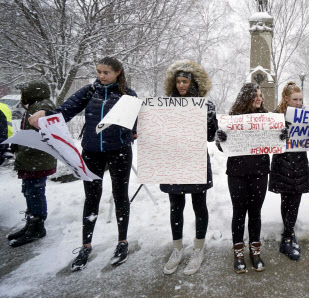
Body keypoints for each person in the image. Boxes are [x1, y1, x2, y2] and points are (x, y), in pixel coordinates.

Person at [28, 57, 138, 271]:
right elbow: (65, 111)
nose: (101, 76)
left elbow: (135, 124)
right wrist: (45, 115)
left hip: (120, 152)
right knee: (92, 197)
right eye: (98, 71)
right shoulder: (89, 91)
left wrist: (133, 130)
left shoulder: (128, 95)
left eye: (106, 72)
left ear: (118, 72)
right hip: (91, 152)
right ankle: (85, 245)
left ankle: (122, 242)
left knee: (120, 194)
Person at [215, 83, 287, 273]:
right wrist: (220, 139)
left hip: (259, 172)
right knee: (239, 212)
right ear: (246, 97)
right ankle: (238, 252)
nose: (259, 98)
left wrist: (281, 136)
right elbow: (223, 148)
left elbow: (277, 144)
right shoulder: (232, 120)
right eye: (255, 95)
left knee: (255, 212)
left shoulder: (266, 119)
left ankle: (255, 251)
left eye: (261, 95)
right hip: (237, 173)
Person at [160, 60, 218, 275]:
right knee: (175, 206)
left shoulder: (206, 105)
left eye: (185, 81)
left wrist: (210, 120)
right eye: (178, 82)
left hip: (195, 159)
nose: (181, 85)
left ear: (193, 82)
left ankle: (198, 248)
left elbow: (212, 136)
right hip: (173, 161)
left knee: (198, 205)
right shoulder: (164, 105)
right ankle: (177, 249)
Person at [6, 81, 57, 247]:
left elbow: (45, 131)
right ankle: (31, 223)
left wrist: (24, 145)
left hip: (38, 159)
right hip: (31, 158)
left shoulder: (43, 106)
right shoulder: (35, 105)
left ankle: (37, 226)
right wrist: (17, 143)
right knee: (29, 190)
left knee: (35, 191)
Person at [269, 82, 309, 261]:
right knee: (287, 200)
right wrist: (279, 132)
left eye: (300, 99)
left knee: (296, 201)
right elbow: (268, 140)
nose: (298, 102)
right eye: (295, 99)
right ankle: (286, 237)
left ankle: (289, 233)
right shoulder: (276, 116)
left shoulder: (306, 116)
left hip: (300, 162)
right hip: (282, 163)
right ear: (286, 98)